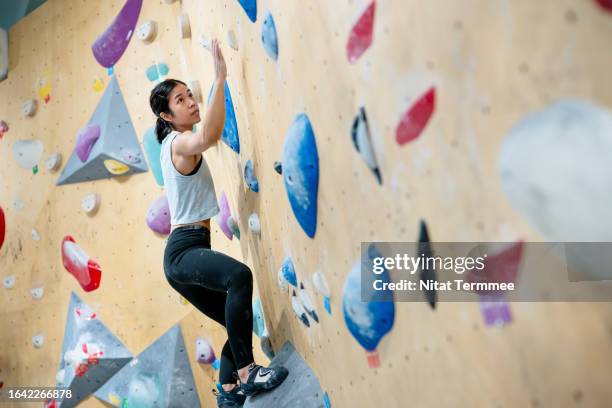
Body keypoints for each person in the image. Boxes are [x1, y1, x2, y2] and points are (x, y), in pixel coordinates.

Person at [149, 39, 288, 408]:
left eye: (190, 95)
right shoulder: (178, 143)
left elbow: (206, 133)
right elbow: (208, 137)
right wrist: (221, 77)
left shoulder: (173, 144)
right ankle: (247, 373)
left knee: (235, 323)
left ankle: (228, 396)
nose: (191, 102)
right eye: (181, 100)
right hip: (184, 250)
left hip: (186, 251)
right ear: (166, 116)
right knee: (240, 277)